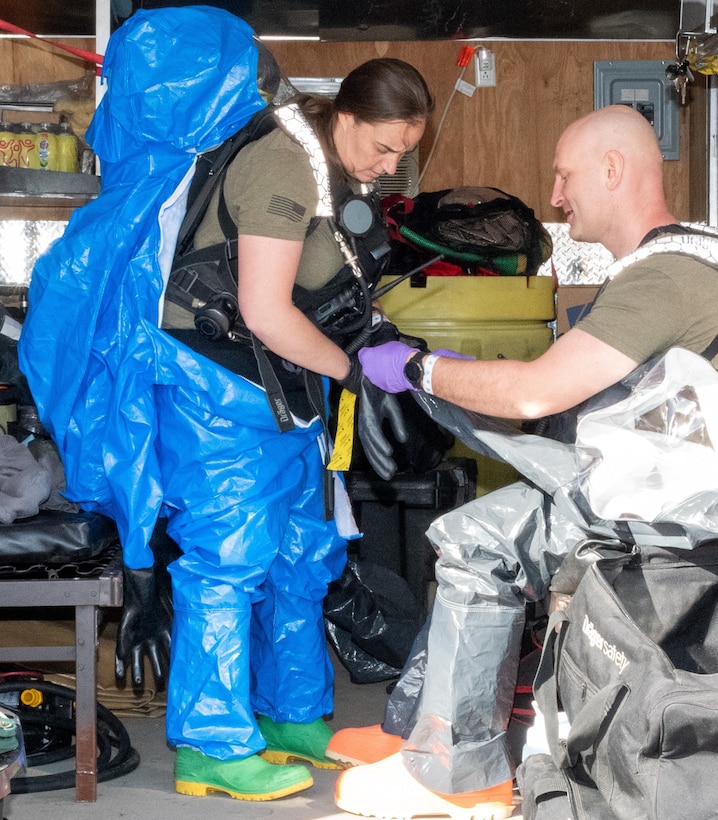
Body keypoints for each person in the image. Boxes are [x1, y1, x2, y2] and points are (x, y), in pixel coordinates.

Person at [19, 7, 434, 803]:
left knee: (303, 556)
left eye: (403, 156)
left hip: (283, 395)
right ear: (343, 116)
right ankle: (211, 743)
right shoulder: (280, 164)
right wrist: (354, 374)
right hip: (224, 394)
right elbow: (268, 311)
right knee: (229, 560)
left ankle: (291, 714)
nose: (388, 167)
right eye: (381, 146)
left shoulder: (330, 169)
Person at [326, 104, 718, 819]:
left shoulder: (666, 277)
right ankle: (415, 732)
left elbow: (536, 390)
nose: (556, 197)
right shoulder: (670, 264)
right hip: (670, 495)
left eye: (565, 176)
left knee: (478, 537)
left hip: (684, 521)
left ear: (612, 170)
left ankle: (456, 776)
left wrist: (420, 368)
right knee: (491, 515)